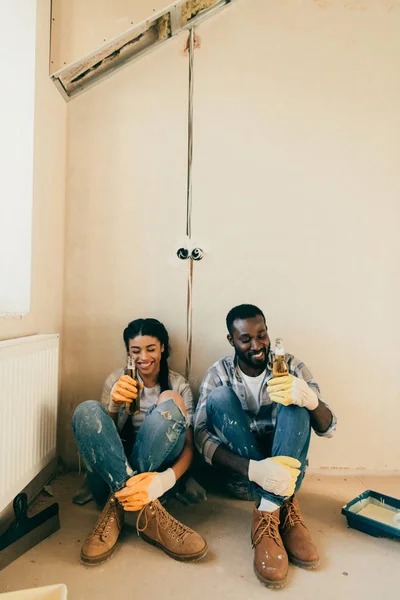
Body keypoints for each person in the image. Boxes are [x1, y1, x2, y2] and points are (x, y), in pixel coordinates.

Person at [193, 304, 336, 588]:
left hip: (289, 477)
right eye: (246, 339)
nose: (257, 345)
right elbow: (199, 436)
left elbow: (328, 427)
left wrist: (311, 401)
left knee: (296, 404)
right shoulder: (218, 373)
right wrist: (254, 469)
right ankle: (279, 505)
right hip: (243, 479)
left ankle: (270, 510)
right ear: (231, 340)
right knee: (219, 398)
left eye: (262, 335)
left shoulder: (290, 365)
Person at [72, 318, 208, 566]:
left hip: (155, 474)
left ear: (163, 348)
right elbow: (103, 440)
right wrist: (113, 407)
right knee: (86, 410)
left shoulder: (178, 384)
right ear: (128, 353)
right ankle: (143, 510)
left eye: (151, 349)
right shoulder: (117, 380)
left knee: (170, 398)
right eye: (136, 351)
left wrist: (164, 480)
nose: (143, 357)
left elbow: (188, 447)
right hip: (114, 468)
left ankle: (125, 501)